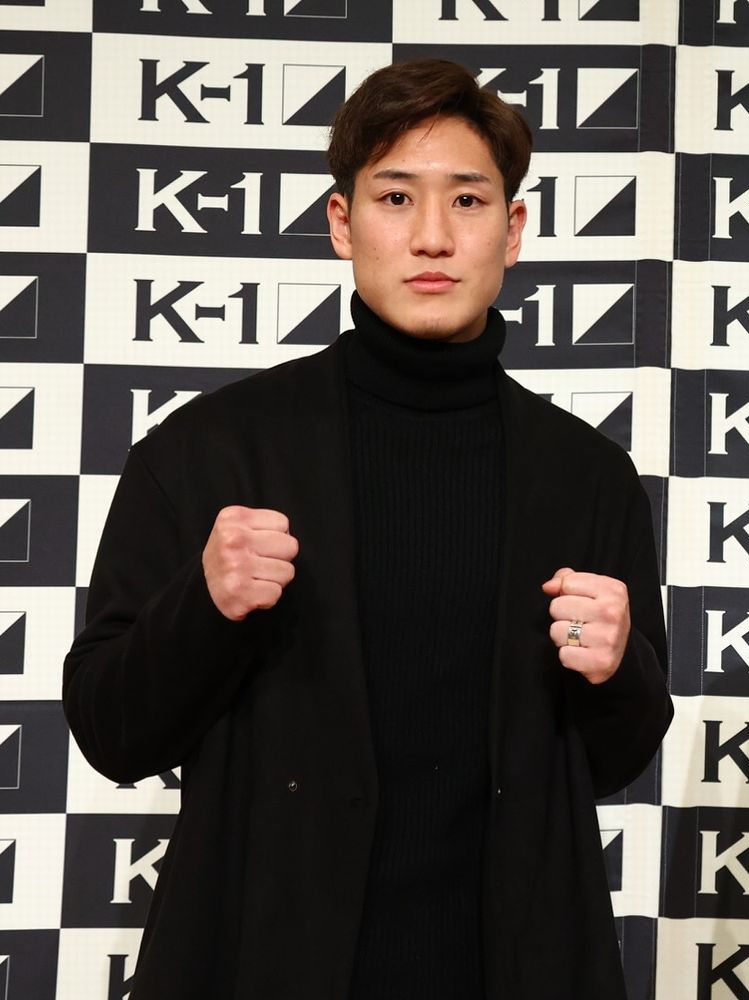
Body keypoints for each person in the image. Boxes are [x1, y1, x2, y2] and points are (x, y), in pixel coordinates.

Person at [63, 58, 671, 1000]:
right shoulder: (207, 452)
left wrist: (617, 671)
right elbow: (112, 733)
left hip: (512, 964)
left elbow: (616, 758)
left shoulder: (588, 475)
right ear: (343, 224)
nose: (432, 236)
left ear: (512, 230)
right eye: (395, 197)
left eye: (467, 200)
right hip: (262, 960)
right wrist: (205, 605)